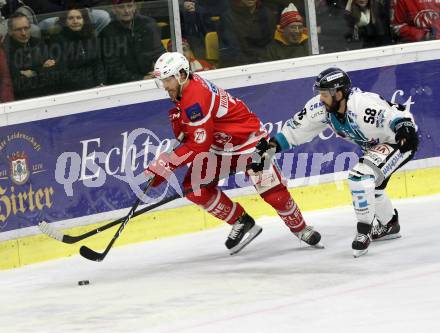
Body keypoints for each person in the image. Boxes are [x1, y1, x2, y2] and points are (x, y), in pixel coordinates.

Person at [145, 52, 323, 255]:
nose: (165, 86)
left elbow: (197, 146)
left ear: (182, 74)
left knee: (273, 194)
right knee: (194, 188)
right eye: (162, 81)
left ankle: (301, 229)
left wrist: (166, 164)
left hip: (250, 144)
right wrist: (178, 123)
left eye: (167, 80)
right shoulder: (183, 90)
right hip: (220, 148)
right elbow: (191, 135)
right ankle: (241, 221)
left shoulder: (195, 98)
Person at [250, 67, 419, 257]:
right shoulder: (320, 109)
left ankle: (364, 232)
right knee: (373, 185)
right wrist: (266, 153)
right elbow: (292, 133)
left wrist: (404, 130)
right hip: (375, 147)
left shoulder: (362, 105)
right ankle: (389, 225)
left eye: (325, 93)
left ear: (339, 93)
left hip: (398, 142)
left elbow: (396, 117)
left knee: (360, 176)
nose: (321, 98)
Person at [99, 0, 165, 85]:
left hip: (151, 78)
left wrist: (160, 70)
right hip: (124, 85)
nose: (126, 11)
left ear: (134, 7)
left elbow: (159, 52)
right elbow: (113, 67)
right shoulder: (107, 33)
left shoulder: (148, 24)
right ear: (114, 9)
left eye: (129, 6)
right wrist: (140, 78)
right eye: (121, 7)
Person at [48, 7, 104, 93]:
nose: (75, 21)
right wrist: (88, 87)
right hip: (72, 90)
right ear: (64, 21)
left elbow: (98, 63)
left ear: (84, 20)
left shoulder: (91, 37)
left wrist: (100, 82)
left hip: (96, 87)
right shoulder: (57, 41)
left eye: (79, 18)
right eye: (71, 18)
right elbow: (63, 71)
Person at [4, 12, 58, 100]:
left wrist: (34, 72)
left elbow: (54, 70)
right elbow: (16, 81)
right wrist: (42, 68)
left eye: (26, 28)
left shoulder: (38, 42)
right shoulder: (5, 51)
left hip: (47, 94)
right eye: (18, 29)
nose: (24, 33)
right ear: (10, 31)